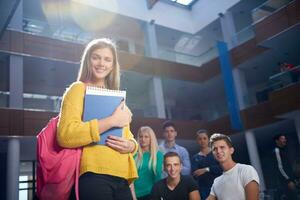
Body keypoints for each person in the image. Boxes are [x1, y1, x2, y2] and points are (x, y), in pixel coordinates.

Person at [56, 38, 138, 200]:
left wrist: (131, 146)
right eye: (96, 57)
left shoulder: (117, 97)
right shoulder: (78, 89)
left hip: (122, 176)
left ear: (113, 65)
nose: (101, 63)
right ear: (88, 60)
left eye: (107, 59)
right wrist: (112, 121)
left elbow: (128, 137)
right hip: (93, 174)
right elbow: (65, 135)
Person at [207, 133, 260, 200]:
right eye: (215, 149)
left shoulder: (246, 170)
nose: (218, 151)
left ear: (231, 150)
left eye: (222, 147)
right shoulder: (216, 181)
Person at [132, 126, 164, 200]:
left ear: (151, 139)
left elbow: (158, 176)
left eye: (146, 137)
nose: (143, 139)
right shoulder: (133, 154)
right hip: (134, 194)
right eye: (141, 136)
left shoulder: (158, 155)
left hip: (151, 194)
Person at [191, 129, 222, 200]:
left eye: (204, 138)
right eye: (200, 139)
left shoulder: (216, 153)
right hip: (203, 190)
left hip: (218, 186)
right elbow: (195, 174)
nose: (202, 141)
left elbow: (221, 168)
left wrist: (206, 169)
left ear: (208, 140)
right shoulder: (195, 158)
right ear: (197, 141)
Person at [273, 133, 297, 200]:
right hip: (286, 182)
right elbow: (280, 167)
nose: (285, 140)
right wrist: (288, 180)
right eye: (282, 139)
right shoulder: (276, 151)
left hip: (290, 180)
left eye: (285, 138)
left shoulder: (283, 150)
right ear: (277, 141)